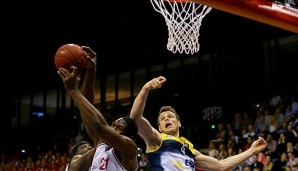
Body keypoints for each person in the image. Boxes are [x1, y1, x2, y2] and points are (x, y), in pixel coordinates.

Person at [130, 76, 267, 171]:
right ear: (159, 127)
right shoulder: (156, 139)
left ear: (179, 123)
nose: (167, 119)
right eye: (163, 118)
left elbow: (221, 165)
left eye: (170, 117)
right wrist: (145, 89)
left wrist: (251, 151)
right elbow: (135, 119)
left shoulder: (189, 150)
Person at [58, 46, 139, 171]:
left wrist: (74, 91)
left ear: (130, 138)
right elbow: (87, 106)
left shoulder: (129, 150)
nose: (113, 128)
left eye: (119, 128)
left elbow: (100, 126)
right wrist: (91, 71)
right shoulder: (101, 143)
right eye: (113, 125)